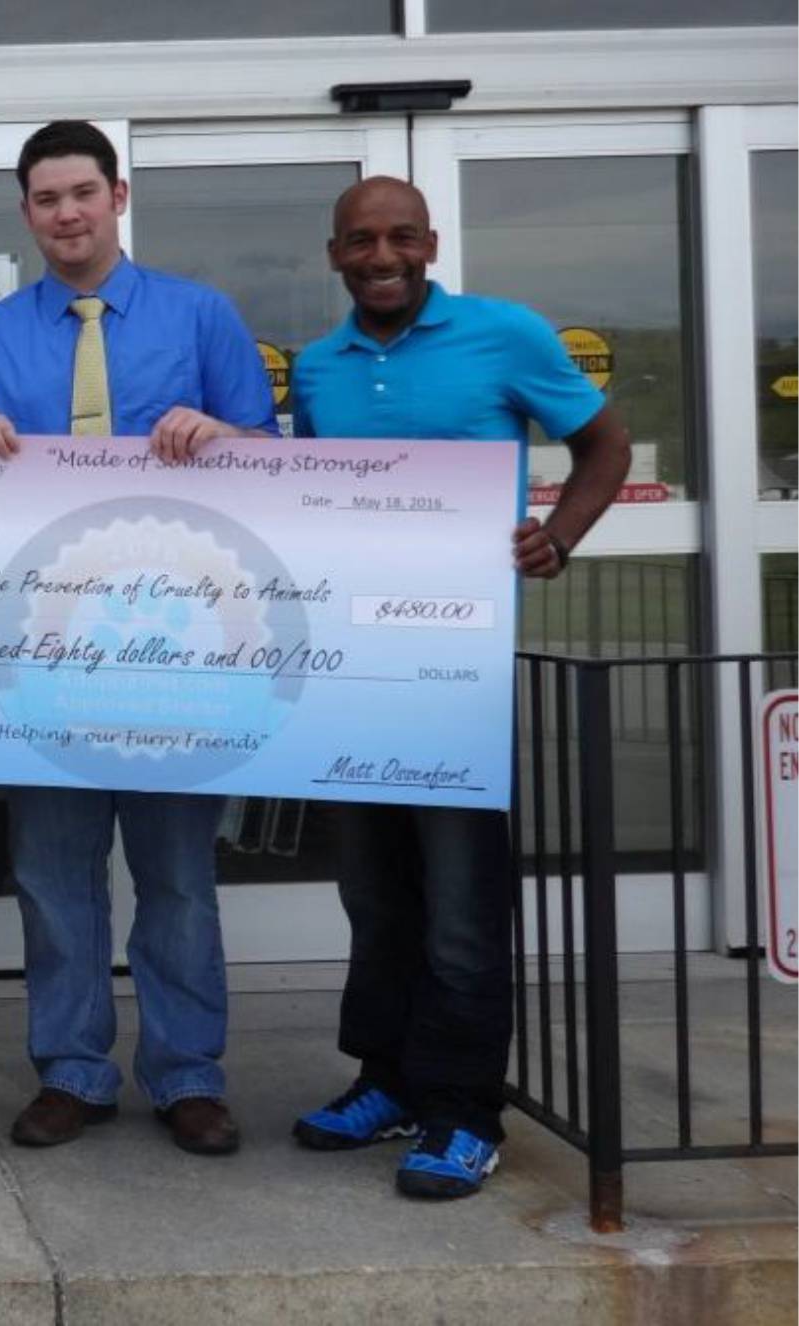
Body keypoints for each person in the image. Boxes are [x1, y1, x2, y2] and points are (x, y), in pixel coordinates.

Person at [0, 119, 276, 1157]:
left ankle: (186, 1075)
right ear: (27, 213)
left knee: (177, 877)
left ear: (117, 196)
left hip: (180, 648)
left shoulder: (202, 318)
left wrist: (226, 435)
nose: (67, 214)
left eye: (83, 192)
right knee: (54, 875)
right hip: (45, 652)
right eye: (46, 199)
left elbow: (269, 459)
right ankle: (73, 1070)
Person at [289, 176, 630, 1199]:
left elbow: (603, 443)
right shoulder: (316, 368)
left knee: (461, 909)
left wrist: (556, 536)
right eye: (360, 240)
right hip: (354, 675)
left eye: (399, 237)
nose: (380, 254)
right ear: (336, 254)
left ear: (429, 243)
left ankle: (464, 1109)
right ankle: (385, 1080)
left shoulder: (505, 334)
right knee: (373, 896)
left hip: (457, 675)